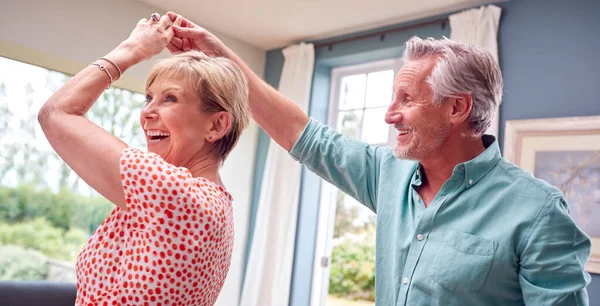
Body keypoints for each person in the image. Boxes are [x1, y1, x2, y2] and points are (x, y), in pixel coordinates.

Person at [166, 11, 592, 306]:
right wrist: (222, 56)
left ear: (457, 109)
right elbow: (306, 137)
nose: (390, 115)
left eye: (406, 99)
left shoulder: (536, 211)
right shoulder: (389, 174)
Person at [38, 12, 250, 305]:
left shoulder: (174, 192)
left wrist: (133, 49)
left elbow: (55, 114)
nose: (147, 112)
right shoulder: (216, 204)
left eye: (170, 98)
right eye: (148, 98)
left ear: (216, 125)